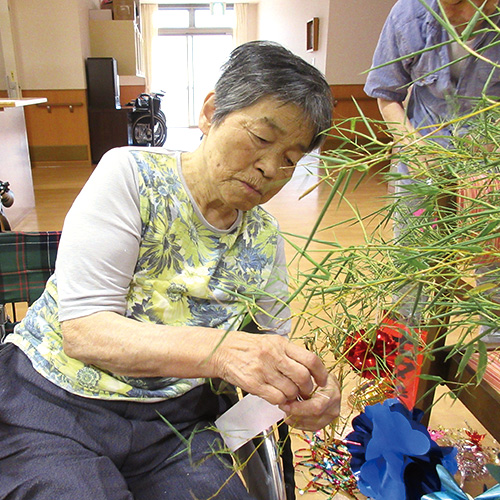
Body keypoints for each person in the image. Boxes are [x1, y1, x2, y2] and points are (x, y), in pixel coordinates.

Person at [0, 41, 341, 499]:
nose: (268, 167)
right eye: (261, 139)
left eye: (290, 159)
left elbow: (268, 352)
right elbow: (86, 331)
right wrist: (222, 352)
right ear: (212, 112)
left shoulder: (264, 239)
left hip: (172, 427)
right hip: (56, 404)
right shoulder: (131, 176)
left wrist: (305, 390)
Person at [364, 0, 500, 344]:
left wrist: (489, 158)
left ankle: (493, 351)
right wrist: (413, 144)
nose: (458, 12)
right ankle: (411, 359)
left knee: (494, 267)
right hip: (423, 153)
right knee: (417, 265)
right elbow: (385, 94)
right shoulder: (408, 13)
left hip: (490, 161)